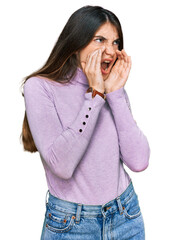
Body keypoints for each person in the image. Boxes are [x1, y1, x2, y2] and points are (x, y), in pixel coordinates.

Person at [21, 5, 150, 240]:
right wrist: (95, 96)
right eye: (100, 39)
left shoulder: (112, 86)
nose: (110, 51)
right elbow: (62, 167)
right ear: (76, 42)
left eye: (115, 42)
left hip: (126, 216)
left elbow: (139, 161)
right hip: (72, 225)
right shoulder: (39, 88)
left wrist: (116, 94)